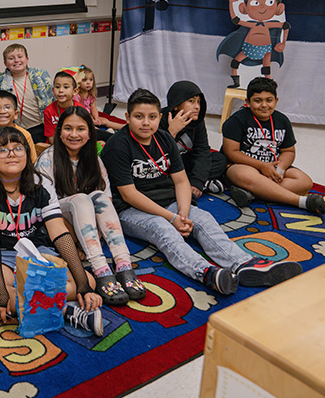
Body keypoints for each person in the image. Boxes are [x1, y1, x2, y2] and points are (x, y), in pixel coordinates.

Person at [100, 89, 303, 296]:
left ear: (159, 117)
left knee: (204, 219)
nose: (146, 123)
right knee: (162, 228)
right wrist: (172, 218)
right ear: (127, 117)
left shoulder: (164, 138)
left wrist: (184, 213)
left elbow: (181, 180)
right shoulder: (118, 146)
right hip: (130, 210)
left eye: (152, 117)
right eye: (138, 117)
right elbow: (129, 195)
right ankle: (206, 272)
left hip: (168, 201)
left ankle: (244, 264)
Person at [0, 127, 104, 336]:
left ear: (28, 154)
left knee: (87, 280)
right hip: (0, 254)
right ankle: (66, 310)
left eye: (18, 148)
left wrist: (83, 285)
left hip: (36, 250)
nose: (11, 154)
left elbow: (60, 234)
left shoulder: (42, 183)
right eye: (2, 150)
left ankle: (24, 306)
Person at [36, 106, 145, 305]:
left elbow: (107, 203)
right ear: (59, 132)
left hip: (88, 231)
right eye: (68, 128)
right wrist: (75, 243)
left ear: (89, 133)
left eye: (81, 129)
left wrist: (90, 240)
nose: (74, 134)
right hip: (56, 228)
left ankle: (123, 263)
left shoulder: (94, 159)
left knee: (98, 196)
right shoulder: (47, 160)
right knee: (81, 198)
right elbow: (44, 212)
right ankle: (100, 267)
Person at [221, 77, 325, 213]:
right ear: (248, 102)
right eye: (258, 101)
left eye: (269, 100)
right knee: (244, 175)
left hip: (273, 167)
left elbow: (289, 151)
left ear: (276, 101)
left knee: (305, 182)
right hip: (243, 166)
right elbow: (231, 152)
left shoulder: (282, 120)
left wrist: (280, 168)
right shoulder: (236, 120)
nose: (264, 105)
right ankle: (301, 202)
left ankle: (251, 194)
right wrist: (261, 166)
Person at [160, 81, 227, 199]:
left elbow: (202, 150)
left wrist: (197, 182)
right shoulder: (160, 119)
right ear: (176, 105)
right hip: (166, 167)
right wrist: (172, 133)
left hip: (186, 165)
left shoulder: (197, 121)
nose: (197, 106)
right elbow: (155, 155)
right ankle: (202, 185)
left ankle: (192, 185)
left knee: (219, 159)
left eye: (198, 102)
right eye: (191, 101)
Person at [0, 43, 54, 144]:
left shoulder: (39, 77)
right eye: (11, 58)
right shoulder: (0, 81)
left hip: (38, 125)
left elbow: (51, 100)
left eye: (20, 57)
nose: (16, 60)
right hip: (13, 127)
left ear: (27, 59)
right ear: (5, 63)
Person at [74, 66, 124, 132]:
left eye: (90, 80)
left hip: (90, 116)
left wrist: (96, 118)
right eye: (84, 80)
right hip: (81, 117)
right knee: (90, 126)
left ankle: (123, 127)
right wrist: (90, 119)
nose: (88, 82)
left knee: (105, 121)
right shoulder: (76, 96)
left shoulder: (90, 94)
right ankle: (105, 133)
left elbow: (93, 107)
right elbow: (78, 111)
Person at [42, 71, 84, 143]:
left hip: (75, 142)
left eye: (66, 87)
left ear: (75, 91)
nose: (61, 90)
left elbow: (83, 133)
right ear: (53, 90)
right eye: (57, 87)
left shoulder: (80, 109)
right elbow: (51, 138)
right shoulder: (48, 111)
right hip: (56, 144)